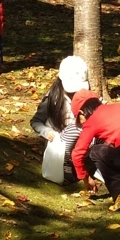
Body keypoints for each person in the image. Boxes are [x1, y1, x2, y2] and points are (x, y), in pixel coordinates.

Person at [30, 55, 90, 184]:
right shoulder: (53, 99)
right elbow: (36, 121)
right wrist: (46, 132)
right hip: (59, 143)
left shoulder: (87, 96)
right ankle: (67, 165)